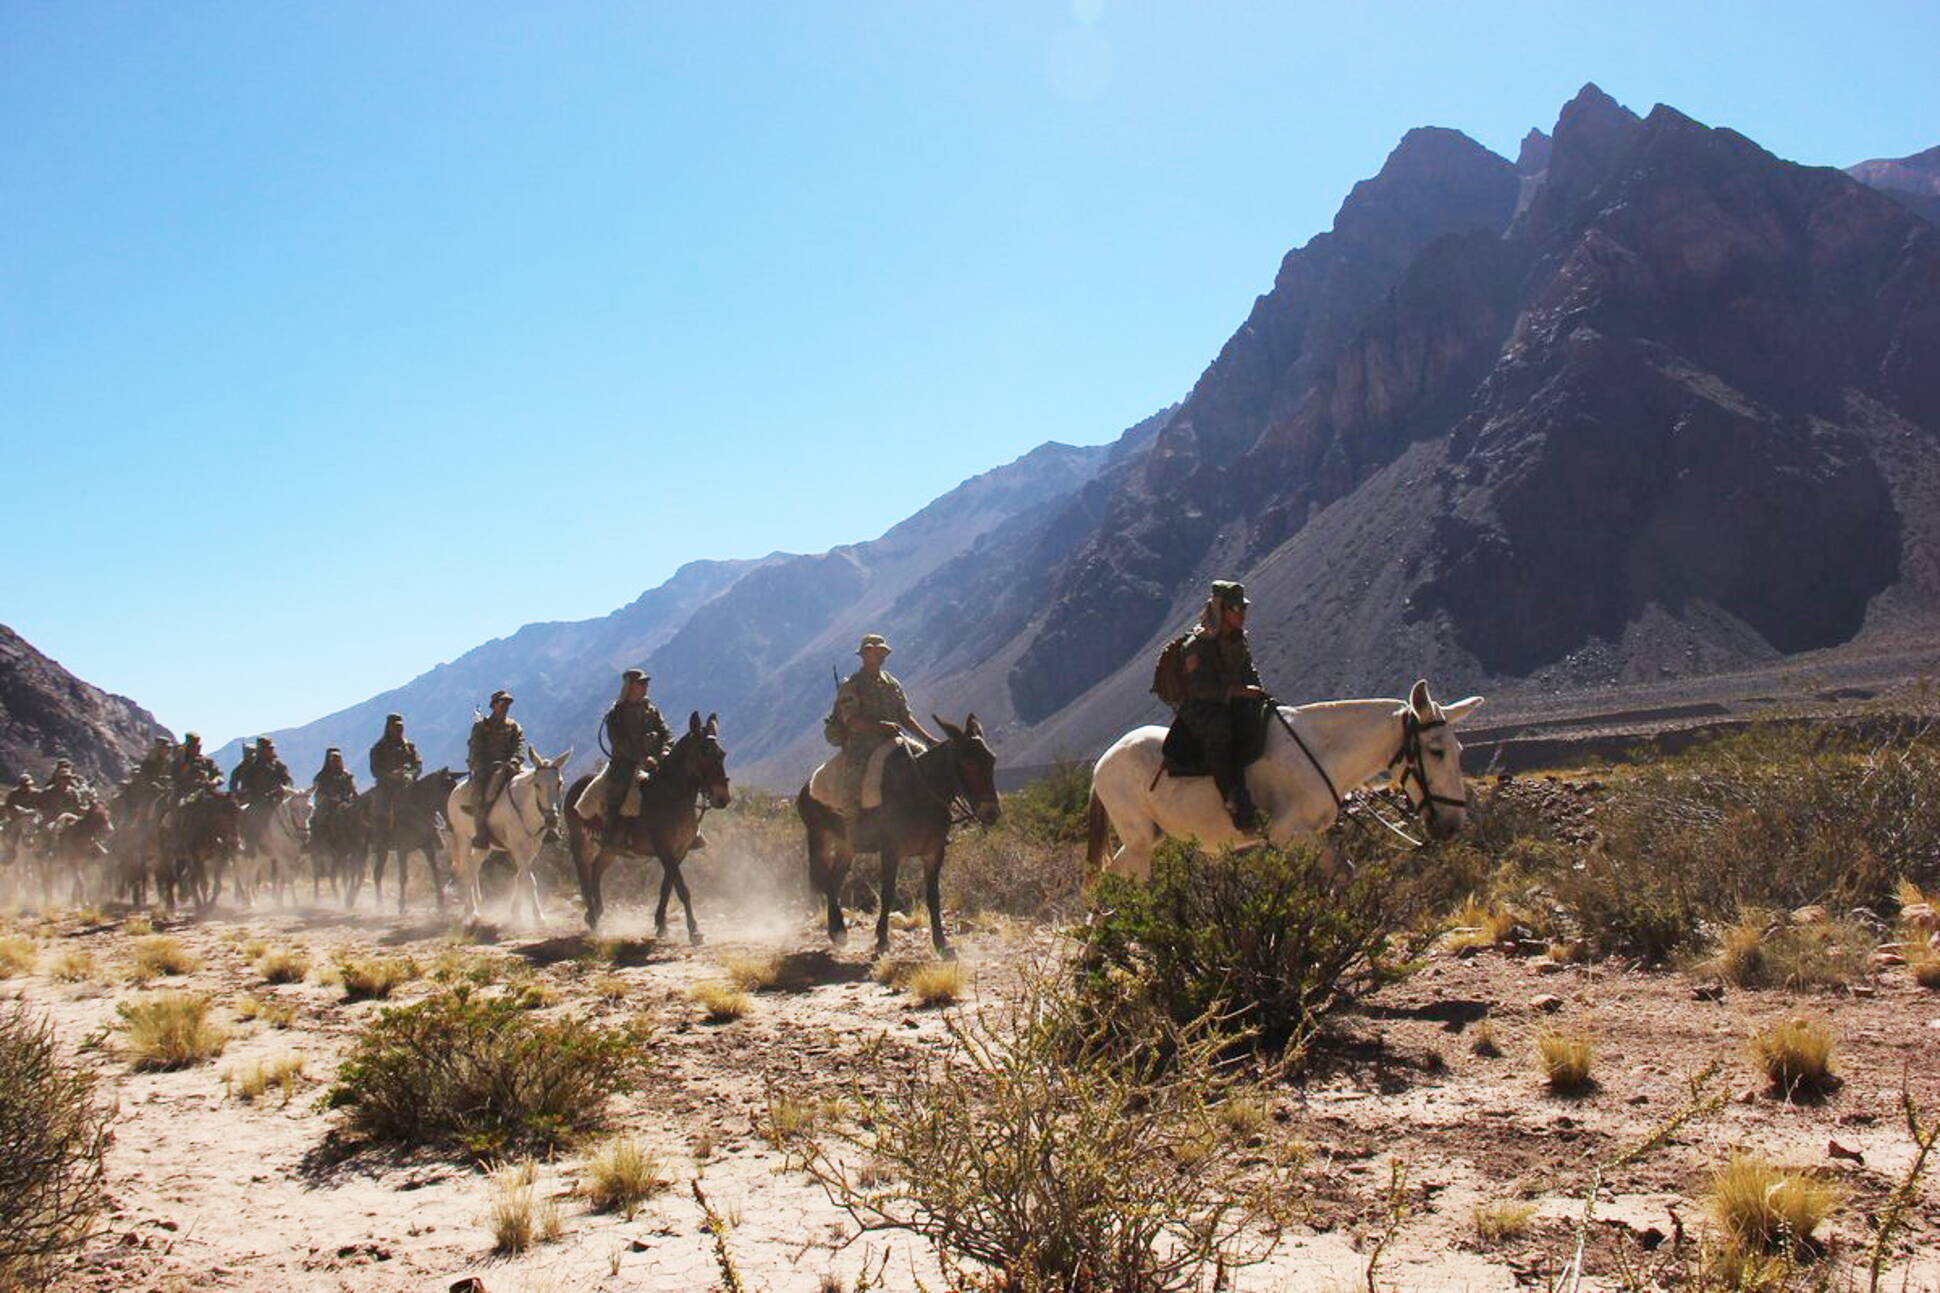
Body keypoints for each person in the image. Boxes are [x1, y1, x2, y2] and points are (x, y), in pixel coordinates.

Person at [1175, 580, 1268, 833]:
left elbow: (1248, 670)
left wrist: (1259, 692)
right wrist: (1236, 691)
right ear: (1221, 610)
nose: (1242, 614)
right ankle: (1233, 798)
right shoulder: (1197, 645)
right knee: (1220, 731)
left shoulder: (1239, 640)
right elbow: (1197, 688)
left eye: (1243, 609)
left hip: (1232, 700)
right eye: (1236, 609)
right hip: (1200, 707)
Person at [825, 633, 939, 817]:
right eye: (875, 652)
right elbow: (852, 721)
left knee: (928, 766)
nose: (881, 656)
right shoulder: (853, 686)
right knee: (854, 782)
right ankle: (854, 829)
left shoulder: (892, 684)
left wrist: (929, 740)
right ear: (864, 655)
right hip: (863, 745)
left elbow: (906, 718)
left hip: (894, 741)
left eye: (883, 652)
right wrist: (882, 727)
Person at [598, 669, 672, 831]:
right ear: (629, 687)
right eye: (641, 683)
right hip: (626, 764)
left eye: (646, 683)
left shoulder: (651, 710)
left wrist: (665, 750)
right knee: (618, 791)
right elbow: (619, 743)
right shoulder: (616, 714)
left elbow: (666, 732)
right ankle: (611, 835)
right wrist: (641, 759)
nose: (645, 686)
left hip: (655, 760)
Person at [466, 690, 524, 849]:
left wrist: (515, 760)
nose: (506, 706)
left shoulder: (514, 726)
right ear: (493, 705)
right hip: (487, 768)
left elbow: (519, 746)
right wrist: (478, 765)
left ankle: (549, 825)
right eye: (502, 703)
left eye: (508, 704)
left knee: (539, 783)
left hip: (510, 766)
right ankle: (481, 833)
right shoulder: (481, 726)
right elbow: (474, 749)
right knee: (479, 793)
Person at [368, 713, 421, 835]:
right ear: (389, 727)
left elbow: (417, 765)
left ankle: (434, 831)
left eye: (401, 727)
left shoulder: (409, 747)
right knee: (380, 808)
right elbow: (375, 770)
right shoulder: (379, 748)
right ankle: (381, 838)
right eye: (396, 727)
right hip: (386, 786)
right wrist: (390, 775)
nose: (399, 729)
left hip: (408, 783)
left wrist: (411, 774)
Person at [312, 748, 358, 829]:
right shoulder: (321, 776)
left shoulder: (347, 775)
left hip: (346, 801)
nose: (336, 762)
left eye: (338, 759)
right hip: (328, 805)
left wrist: (355, 796)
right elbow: (317, 793)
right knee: (321, 820)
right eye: (333, 759)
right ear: (329, 761)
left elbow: (353, 789)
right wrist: (330, 799)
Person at [172, 732, 221, 801]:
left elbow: (219, 775)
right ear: (188, 747)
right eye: (194, 747)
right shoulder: (180, 761)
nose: (197, 749)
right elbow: (175, 777)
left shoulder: (206, 761)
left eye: (199, 747)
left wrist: (214, 781)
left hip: (206, 792)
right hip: (184, 794)